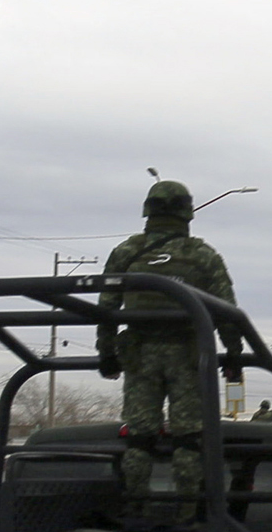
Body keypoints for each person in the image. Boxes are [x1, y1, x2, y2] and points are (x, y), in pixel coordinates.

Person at [97, 179, 237, 505]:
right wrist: (233, 353)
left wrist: (106, 354)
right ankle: (189, 512)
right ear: (188, 213)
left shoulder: (127, 252)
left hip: (138, 355)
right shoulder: (202, 255)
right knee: (188, 438)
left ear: (147, 211)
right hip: (188, 356)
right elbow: (228, 311)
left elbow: (105, 308)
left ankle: (137, 509)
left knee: (139, 439)